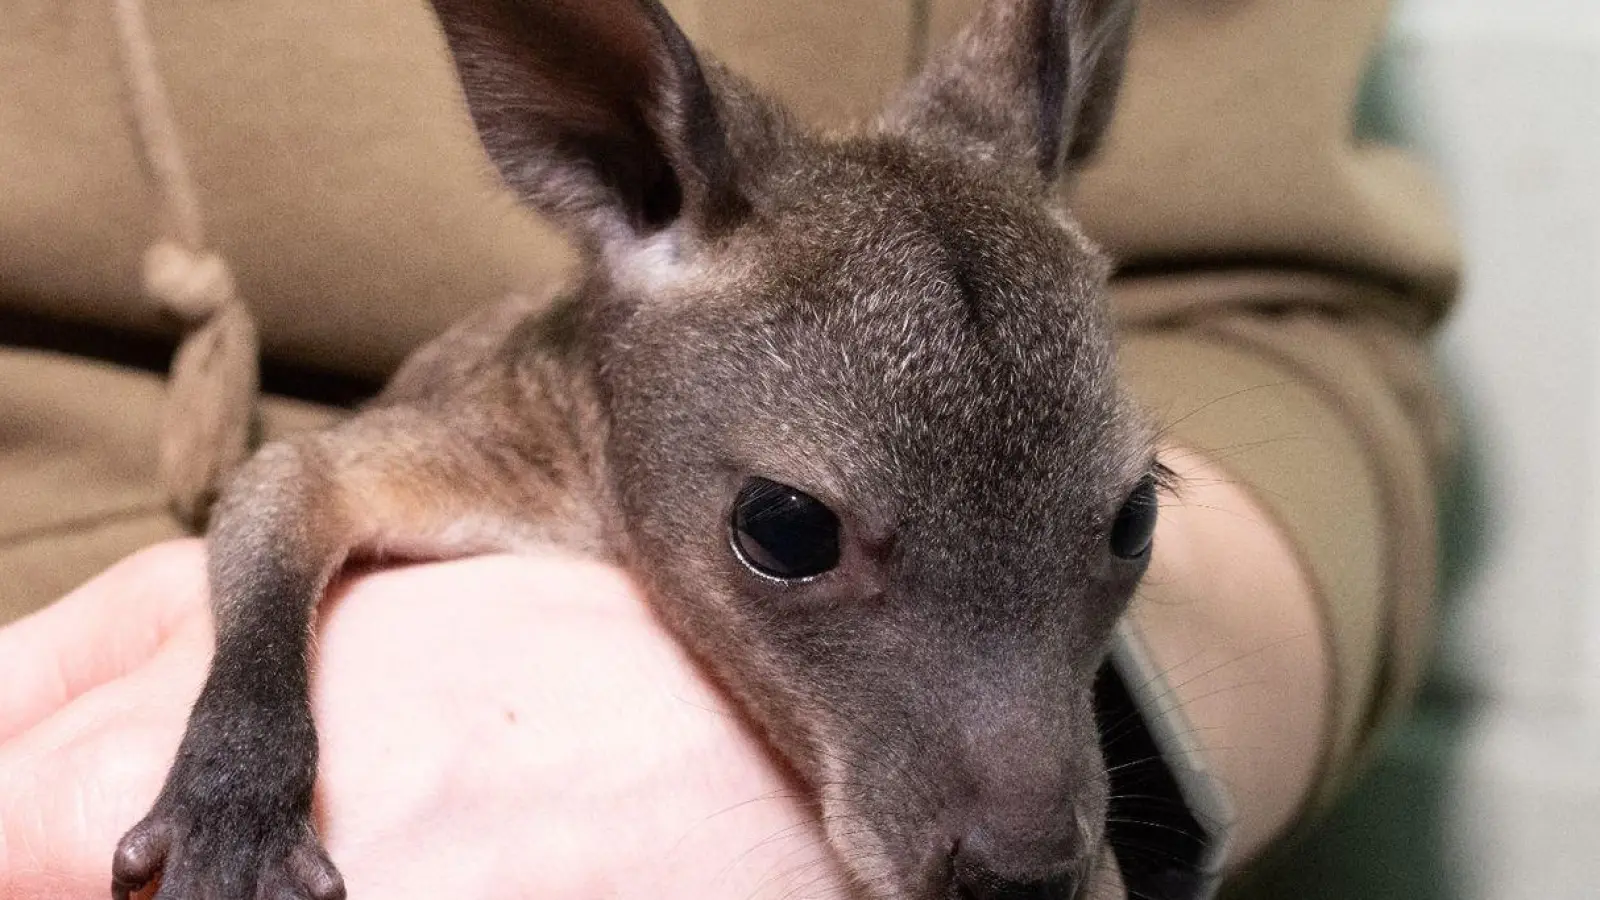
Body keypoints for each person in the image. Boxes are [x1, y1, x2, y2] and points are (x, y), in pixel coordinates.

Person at [0, 0, 1455, 896]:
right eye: (800, 538)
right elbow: (295, 491)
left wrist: (725, 796)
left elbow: (1285, 326)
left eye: (1125, 525)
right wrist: (248, 768)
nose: (1039, 830)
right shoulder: (533, 420)